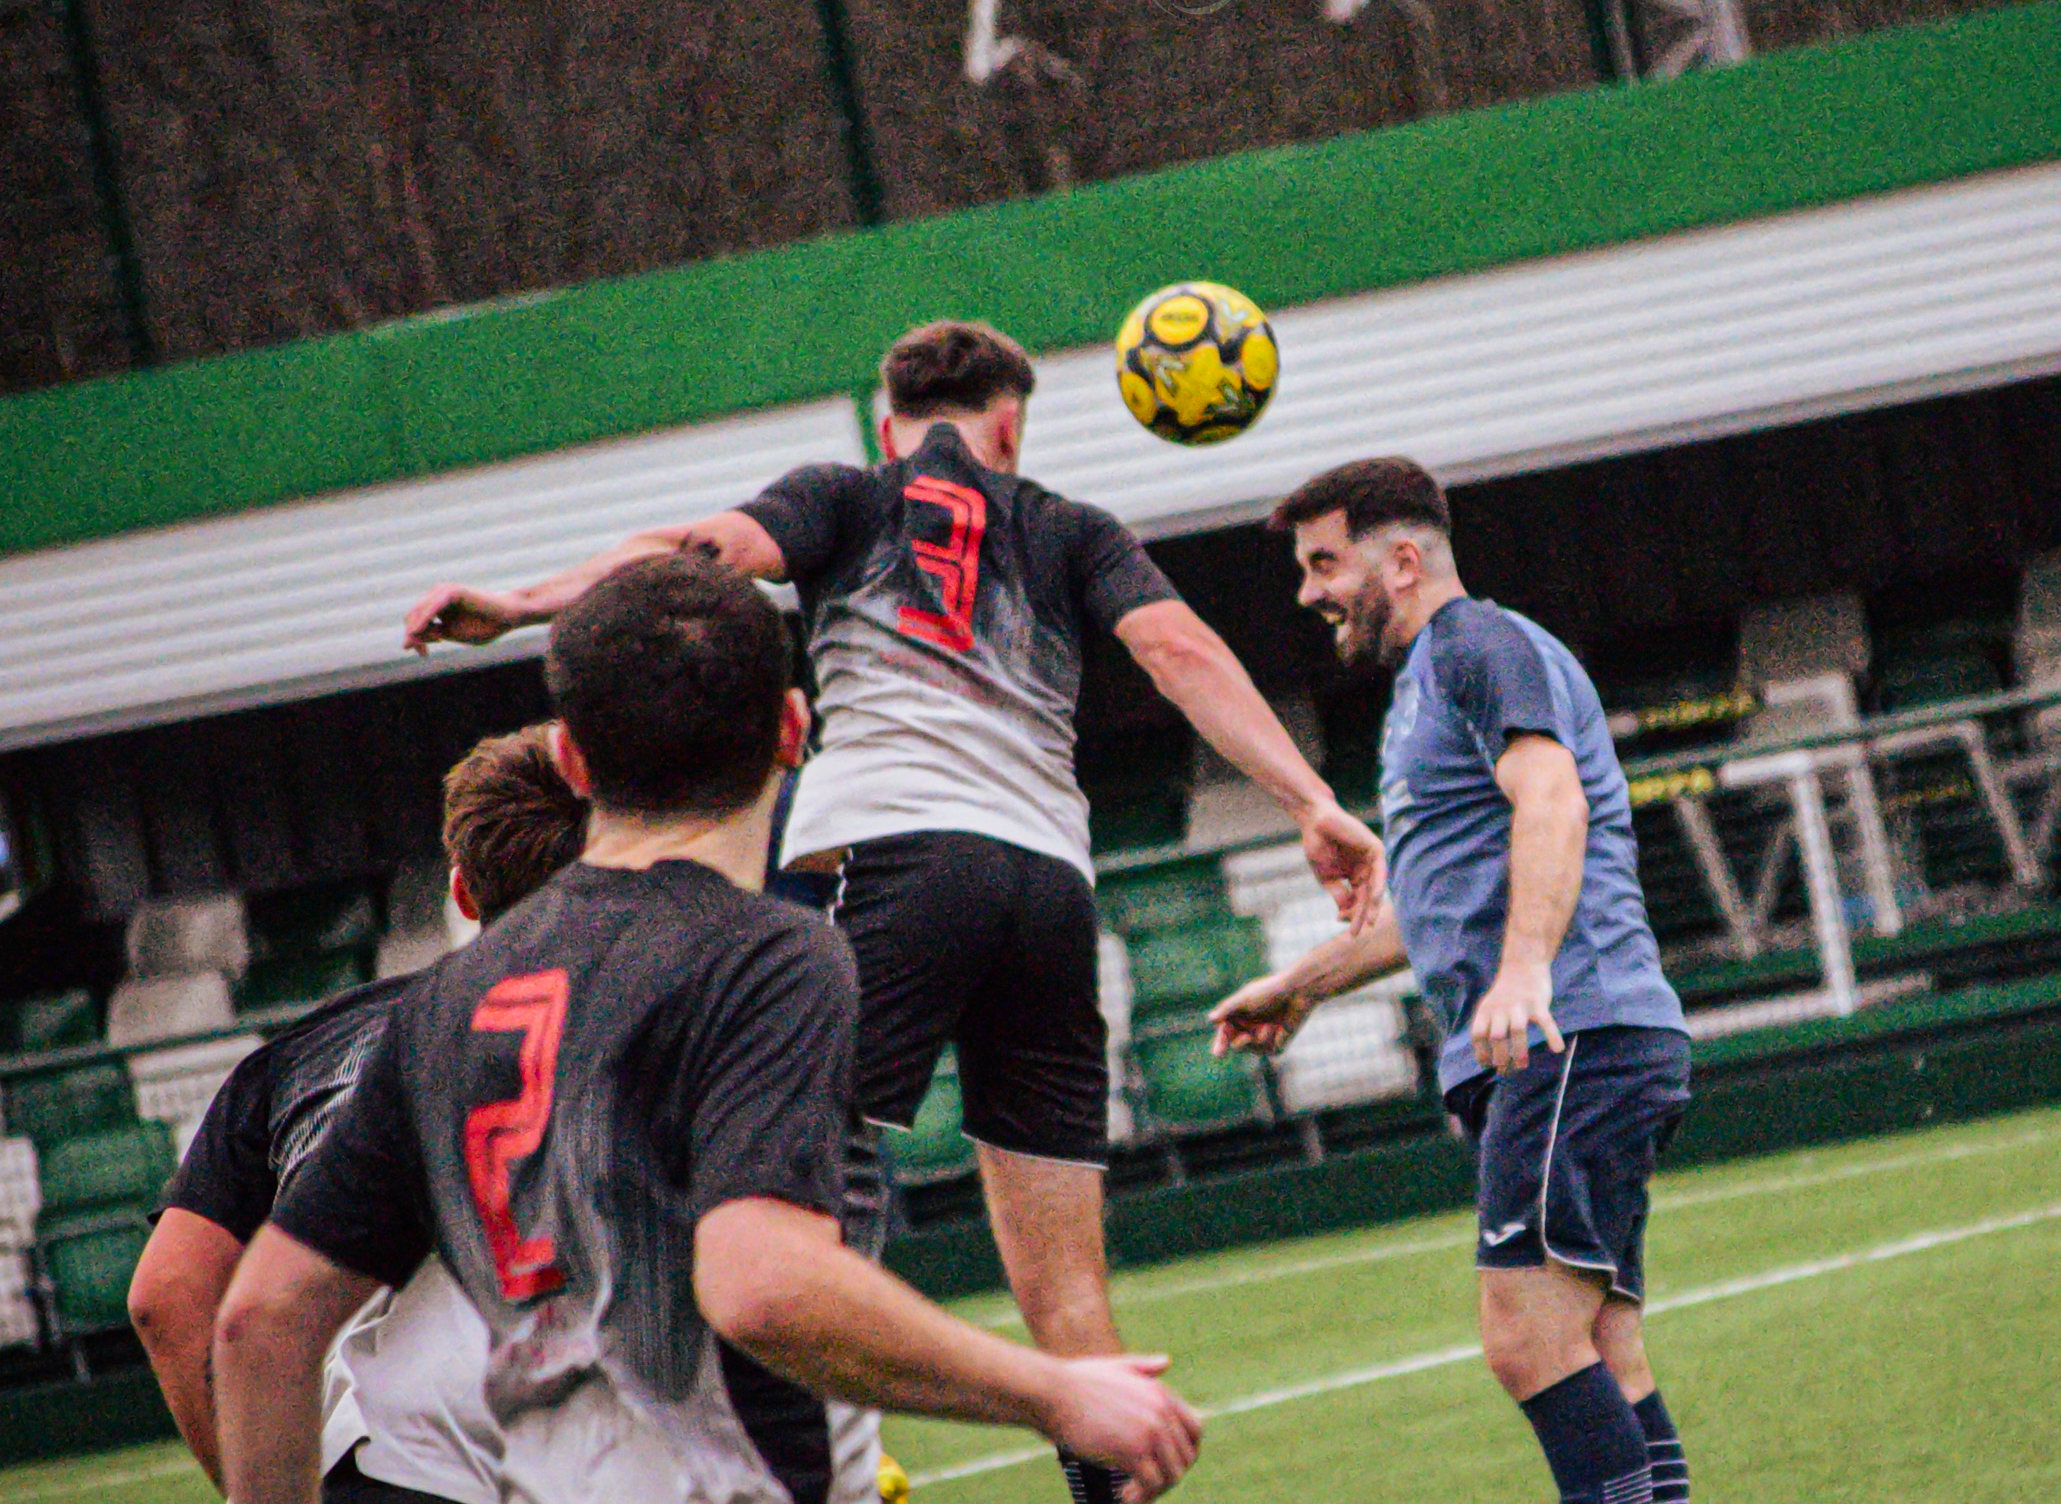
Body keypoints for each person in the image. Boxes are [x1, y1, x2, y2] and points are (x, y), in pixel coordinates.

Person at [401, 319, 1381, 1504]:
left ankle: (767, 1457)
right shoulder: (1073, 528)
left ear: (889, 424)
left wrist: (518, 605)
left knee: (773, 1182)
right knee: (1071, 1306)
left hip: (892, 861)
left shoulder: (845, 496)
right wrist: (1313, 800)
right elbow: (1175, 647)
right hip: (1046, 892)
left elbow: (684, 556)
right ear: (1009, 425)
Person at [216, 555, 1201, 1504]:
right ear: (791, 726)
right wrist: (1058, 1391)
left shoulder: (444, 1001)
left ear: (571, 754)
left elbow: (261, 1319)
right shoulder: (765, 958)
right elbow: (763, 1284)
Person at [1211, 458, 1695, 1504]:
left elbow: (1552, 797)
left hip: (1569, 1032)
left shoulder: (1477, 644)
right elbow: (1435, 906)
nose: (1309, 592)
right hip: (1573, 1037)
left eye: (1322, 562)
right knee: (1600, 1347)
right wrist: (1303, 982)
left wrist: (1525, 969)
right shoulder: (1430, 679)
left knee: (1525, 1339)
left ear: (1400, 557)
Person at [129, 724, 588, 1504]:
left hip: (386, 1469)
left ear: (462, 892)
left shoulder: (291, 1060)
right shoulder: (656, 1019)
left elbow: (164, 1298)